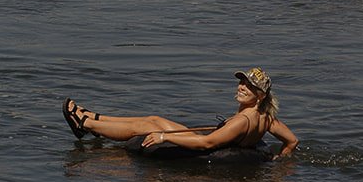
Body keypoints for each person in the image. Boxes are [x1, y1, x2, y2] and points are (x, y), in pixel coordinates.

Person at [62, 67, 297, 157]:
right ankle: (93, 117)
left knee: (147, 127)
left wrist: (164, 137)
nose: (241, 87)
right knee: (153, 119)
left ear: (261, 95)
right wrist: (279, 161)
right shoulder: (267, 117)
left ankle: (86, 124)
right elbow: (292, 141)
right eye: (241, 82)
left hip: (206, 150)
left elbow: (207, 144)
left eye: (249, 87)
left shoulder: (243, 120)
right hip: (223, 145)